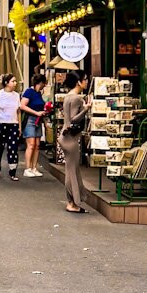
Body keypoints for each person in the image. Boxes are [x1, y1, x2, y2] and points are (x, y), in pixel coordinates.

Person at [60, 71, 92, 213]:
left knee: (70, 170)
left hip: (66, 136)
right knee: (72, 171)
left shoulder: (68, 97)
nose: (87, 81)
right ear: (79, 82)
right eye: (85, 79)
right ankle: (72, 202)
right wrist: (85, 109)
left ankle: (73, 201)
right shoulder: (77, 99)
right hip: (71, 138)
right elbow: (74, 119)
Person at [20, 74, 48, 178]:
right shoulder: (29, 92)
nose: (44, 86)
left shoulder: (39, 93)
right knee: (31, 145)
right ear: (40, 83)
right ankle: (27, 168)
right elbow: (22, 105)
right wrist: (36, 113)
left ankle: (34, 167)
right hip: (30, 120)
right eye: (43, 84)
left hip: (38, 120)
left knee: (37, 145)